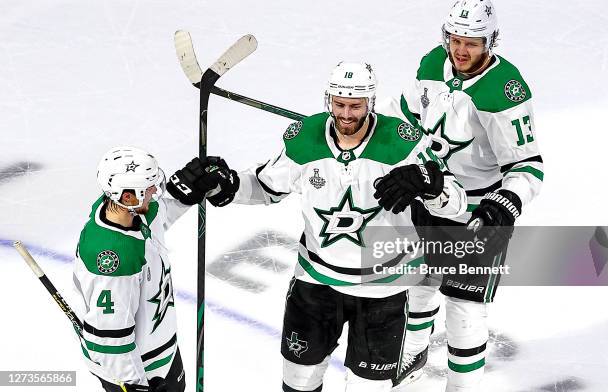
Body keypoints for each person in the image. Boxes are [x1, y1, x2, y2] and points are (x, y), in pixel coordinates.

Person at [196, 61, 467, 391]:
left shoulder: (403, 143)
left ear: (370, 102)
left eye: (355, 106)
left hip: (384, 288)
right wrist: (226, 186)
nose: (347, 114)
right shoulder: (304, 140)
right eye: (339, 105)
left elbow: (456, 203)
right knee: (298, 383)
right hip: (315, 284)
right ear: (328, 101)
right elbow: (266, 187)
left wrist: (430, 183)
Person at [379, 0, 544, 392]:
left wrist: (507, 200)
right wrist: (371, 128)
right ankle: (414, 352)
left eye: (471, 42)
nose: (460, 49)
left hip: (474, 211)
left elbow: (529, 165)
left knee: (465, 310)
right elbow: (406, 115)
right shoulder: (431, 62)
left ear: (490, 42)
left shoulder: (505, 92)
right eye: (455, 39)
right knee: (417, 282)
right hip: (428, 195)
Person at [74, 146, 238, 391]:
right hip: (138, 369)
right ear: (127, 196)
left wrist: (189, 191)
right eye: (148, 188)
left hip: (162, 350)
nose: (155, 191)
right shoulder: (114, 258)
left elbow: (160, 216)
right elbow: (110, 341)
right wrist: (134, 385)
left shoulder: (127, 212)